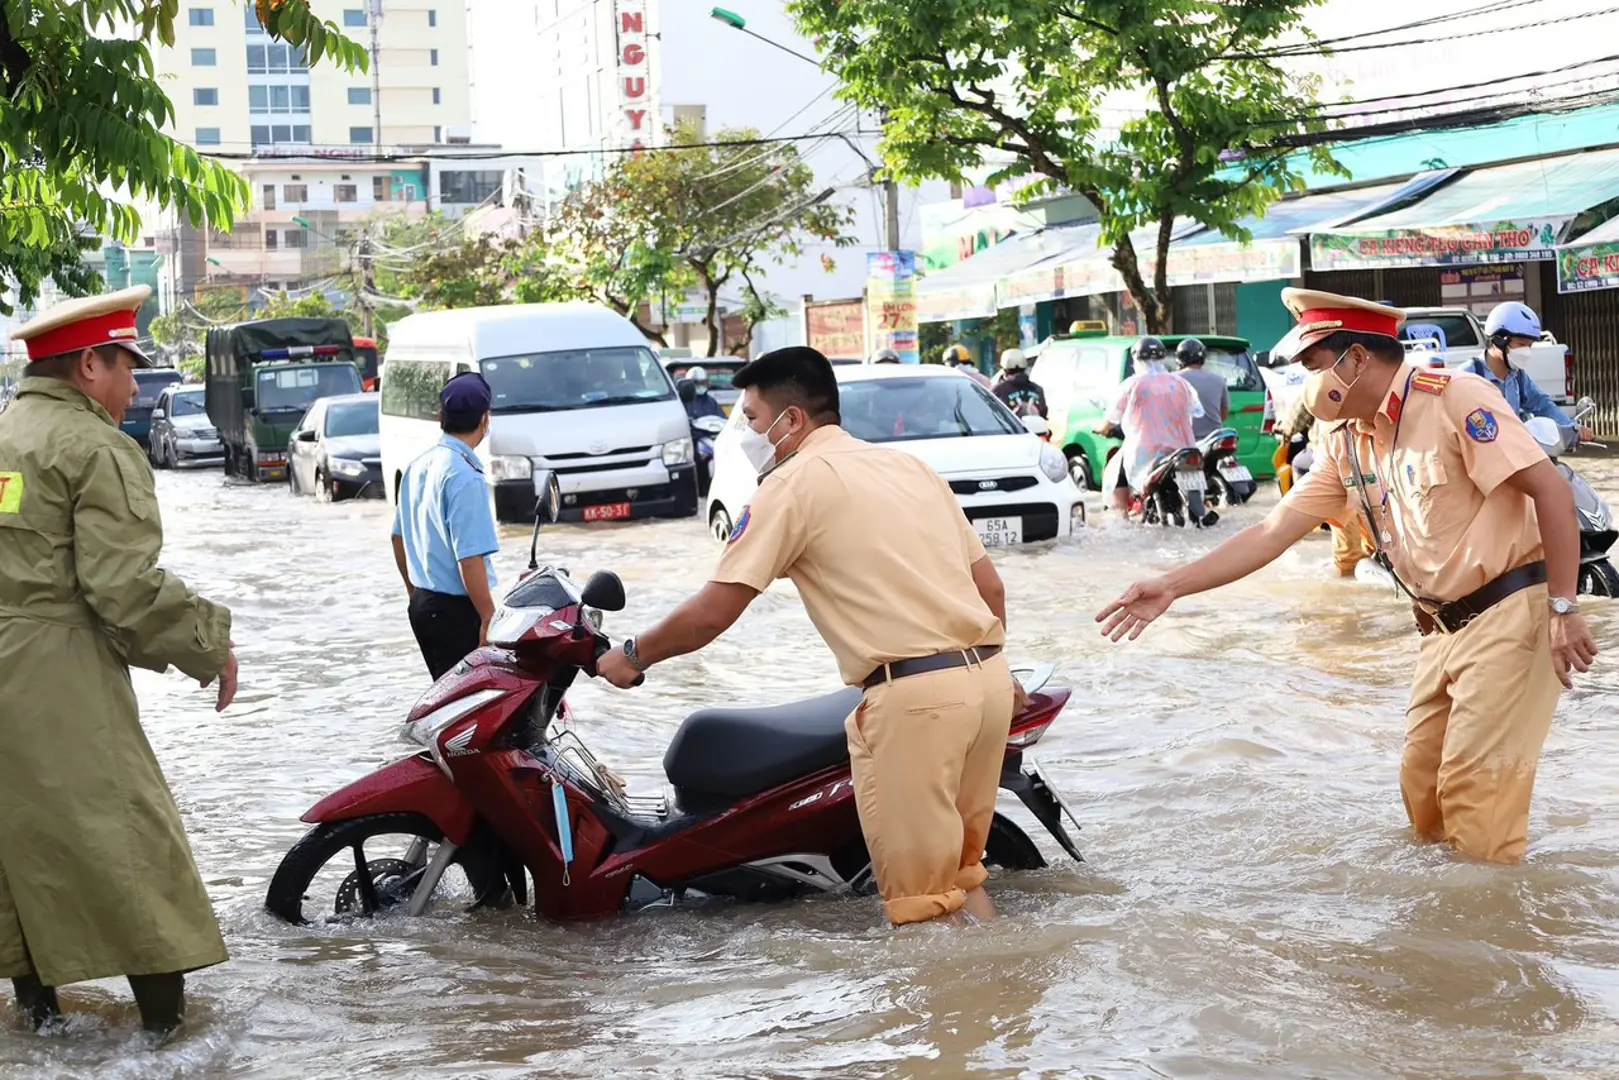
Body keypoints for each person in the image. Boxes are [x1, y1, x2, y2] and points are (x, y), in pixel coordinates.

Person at [1097, 289, 1599, 865]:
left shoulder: (1455, 399)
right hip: (1441, 628)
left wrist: (1565, 608)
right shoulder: (1345, 441)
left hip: (1511, 610)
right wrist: (1174, 584)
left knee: (1476, 792)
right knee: (1423, 786)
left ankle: (1499, 922)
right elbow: (1273, 531)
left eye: (1313, 366)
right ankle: (1450, 932)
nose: (1308, 384)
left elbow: (1551, 492)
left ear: (1356, 358)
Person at [595, 346, 1021, 926]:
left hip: (917, 704)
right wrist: (996, 670)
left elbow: (715, 610)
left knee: (922, 911)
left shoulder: (792, 485)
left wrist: (632, 655)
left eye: (750, 418)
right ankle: (1005, 1008)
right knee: (963, 879)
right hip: (989, 686)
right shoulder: (910, 469)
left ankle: (950, 1015)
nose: (746, 433)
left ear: (790, 421)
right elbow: (990, 590)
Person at [0, 285, 238, 1040]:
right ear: (89, 364)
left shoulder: (5, 432)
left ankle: (39, 1024)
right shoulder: (96, 446)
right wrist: (210, 643)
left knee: (18, 840)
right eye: (128, 366)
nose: (136, 386)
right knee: (130, 838)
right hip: (58, 669)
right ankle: (168, 1040)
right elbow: (122, 588)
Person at [391, 372, 501, 681]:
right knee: (467, 711)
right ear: (485, 419)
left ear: (441, 416)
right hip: (457, 612)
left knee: (448, 701)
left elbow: (397, 538)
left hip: (424, 605)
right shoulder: (465, 477)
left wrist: (413, 591)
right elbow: (470, 559)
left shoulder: (417, 466)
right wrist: (488, 616)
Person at [1097, 337, 1209, 522]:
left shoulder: (1132, 384)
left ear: (1136, 359)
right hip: (1182, 448)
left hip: (1145, 451)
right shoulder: (1181, 383)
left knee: (1118, 473)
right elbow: (1197, 411)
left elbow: (1111, 418)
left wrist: (1101, 429)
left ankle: (1120, 517)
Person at [1468, 302, 1591, 449]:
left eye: (1529, 346)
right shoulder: (1469, 375)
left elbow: (1541, 403)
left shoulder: (1517, 376)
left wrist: (1572, 428)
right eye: (1521, 345)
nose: (1526, 352)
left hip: (1513, 455)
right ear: (1499, 339)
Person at [1175, 338, 1230, 441]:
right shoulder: (1219, 380)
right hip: (1214, 440)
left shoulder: (1172, 379)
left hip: (1183, 441)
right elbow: (1224, 414)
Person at [991, 348, 1048, 418]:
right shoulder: (1038, 389)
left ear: (1004, 369)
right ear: (1024, 367)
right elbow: (1043, 412)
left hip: (1010, 428)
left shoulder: (998, 390)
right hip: (1036, 428)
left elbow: (991, 414)